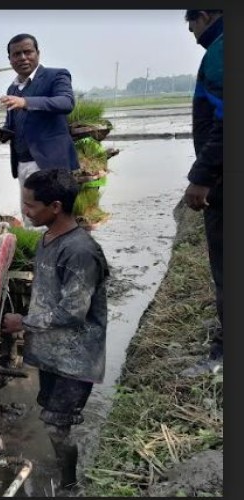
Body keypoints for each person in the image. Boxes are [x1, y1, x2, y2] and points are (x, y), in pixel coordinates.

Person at [1, 168, 109, 491]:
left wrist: (23, 322)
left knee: (56, 426)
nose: (25, 212)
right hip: (51, 353)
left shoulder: (80, 251)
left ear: (56, 206)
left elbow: (73, 313)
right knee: (50, 416)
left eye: (31, 206)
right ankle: (64, 469)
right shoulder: (47, 239)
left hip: (76, 360)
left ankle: (69, 484)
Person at [0, 33, 80, 227]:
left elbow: (66, 102)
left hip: (49, 163)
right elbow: (13, 123)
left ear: (38, 53)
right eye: (16, 54)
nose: (22, 58)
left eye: (28, 52)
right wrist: (2, 132)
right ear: (10, 59)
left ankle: (62, 253)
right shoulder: (13, 89)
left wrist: (26, 102)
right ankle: (38, 253)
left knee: (55, 216)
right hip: (23, 163)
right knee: (31, 216)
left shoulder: (56, 75)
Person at [180, 10, 223, 377]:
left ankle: (224, 356)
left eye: (190, 23)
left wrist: (202, 177)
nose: (191, 32)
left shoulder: (222, 50)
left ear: (205, 16)